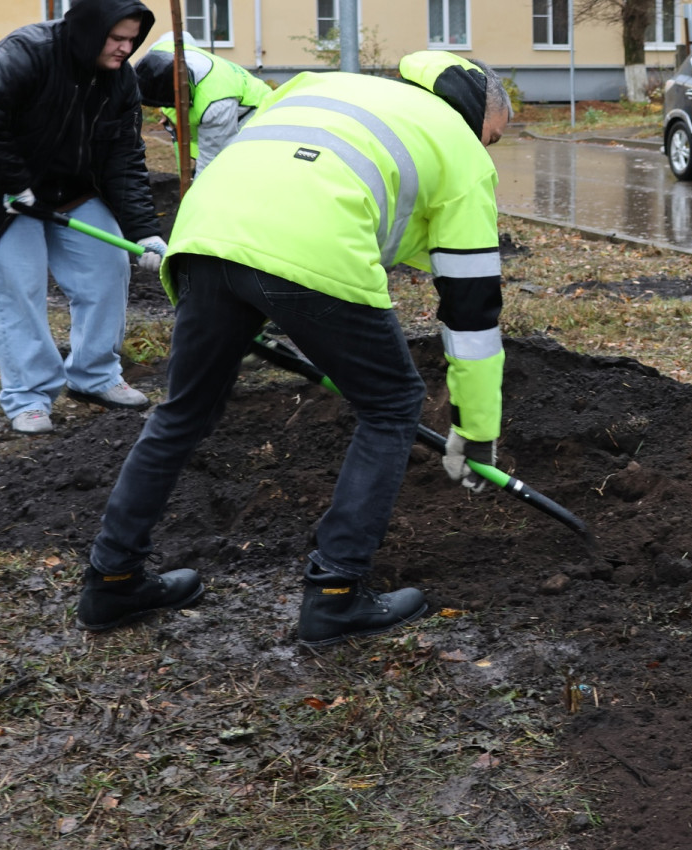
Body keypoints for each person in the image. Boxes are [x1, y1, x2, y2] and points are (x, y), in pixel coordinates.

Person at [78, 52, 512, 648]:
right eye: (493, 138)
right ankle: (336, 594)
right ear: (475, 115)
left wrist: (248, 311)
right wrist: (476, 429)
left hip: (205, 234)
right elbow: (472, 313)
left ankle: (111, 578)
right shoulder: (460, 151)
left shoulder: (320, 85)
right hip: (308, 248)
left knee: (183, 412)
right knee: (390, 406)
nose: (488, 152)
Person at [0, 0, 166, 435]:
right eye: (116, 38)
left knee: (107, 269)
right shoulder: (29, 50)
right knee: (17, 289)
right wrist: (15, 182)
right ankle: (29, 395)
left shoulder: (119, 81)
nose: (126, 49)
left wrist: (143, 230)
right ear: (88, 29)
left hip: (70, 188)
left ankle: (95, 375)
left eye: (132, 40)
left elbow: (124, 156)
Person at [133, 38, 273, 176]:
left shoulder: (215, 102)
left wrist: (193, 195)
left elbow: (211, 161)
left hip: (258, 114)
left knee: (235, 168)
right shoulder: (162, 48)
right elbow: (185, 35)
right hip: (224, 100)